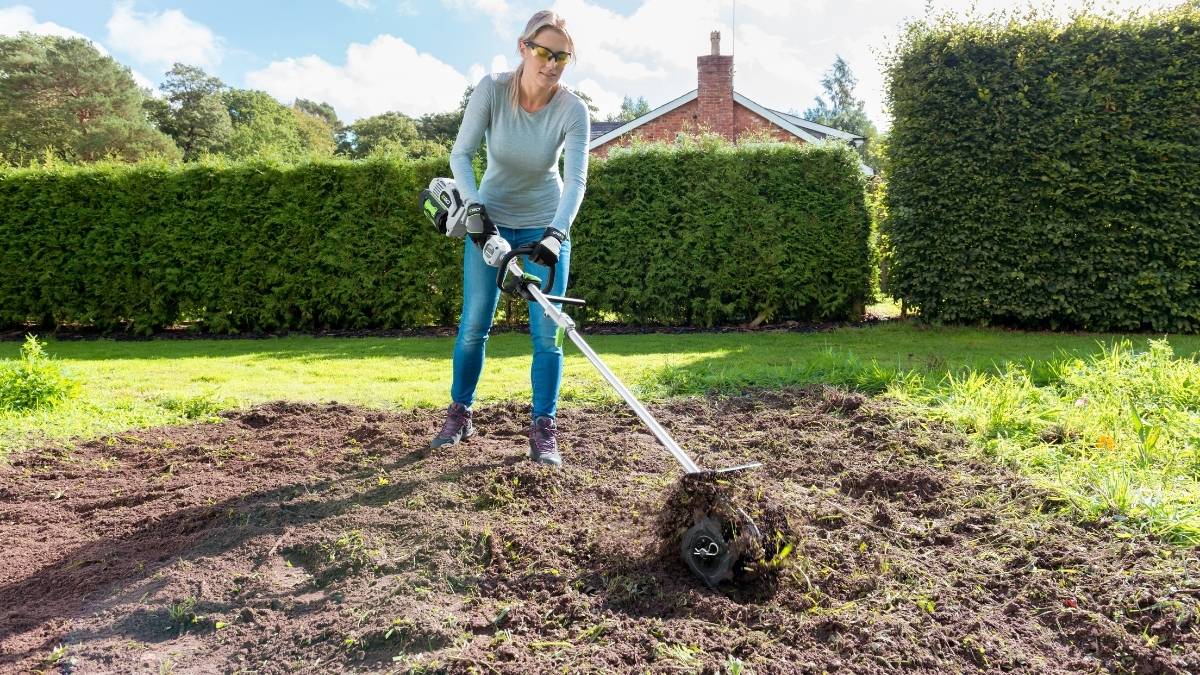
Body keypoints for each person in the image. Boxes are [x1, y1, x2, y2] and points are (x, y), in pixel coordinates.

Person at [429, 9, 590, 469]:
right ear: (524, 48)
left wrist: (556, 235)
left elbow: (575, 181)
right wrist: (474, 209)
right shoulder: (493, 90)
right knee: (474, 325)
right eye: (543, 51)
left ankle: (544, 428)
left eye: (562, 56)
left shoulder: (572, 109)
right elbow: (460, 153)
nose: (552, 63)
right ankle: (460, 414)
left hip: (545, 226)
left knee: (548, 335)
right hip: (490, 224)